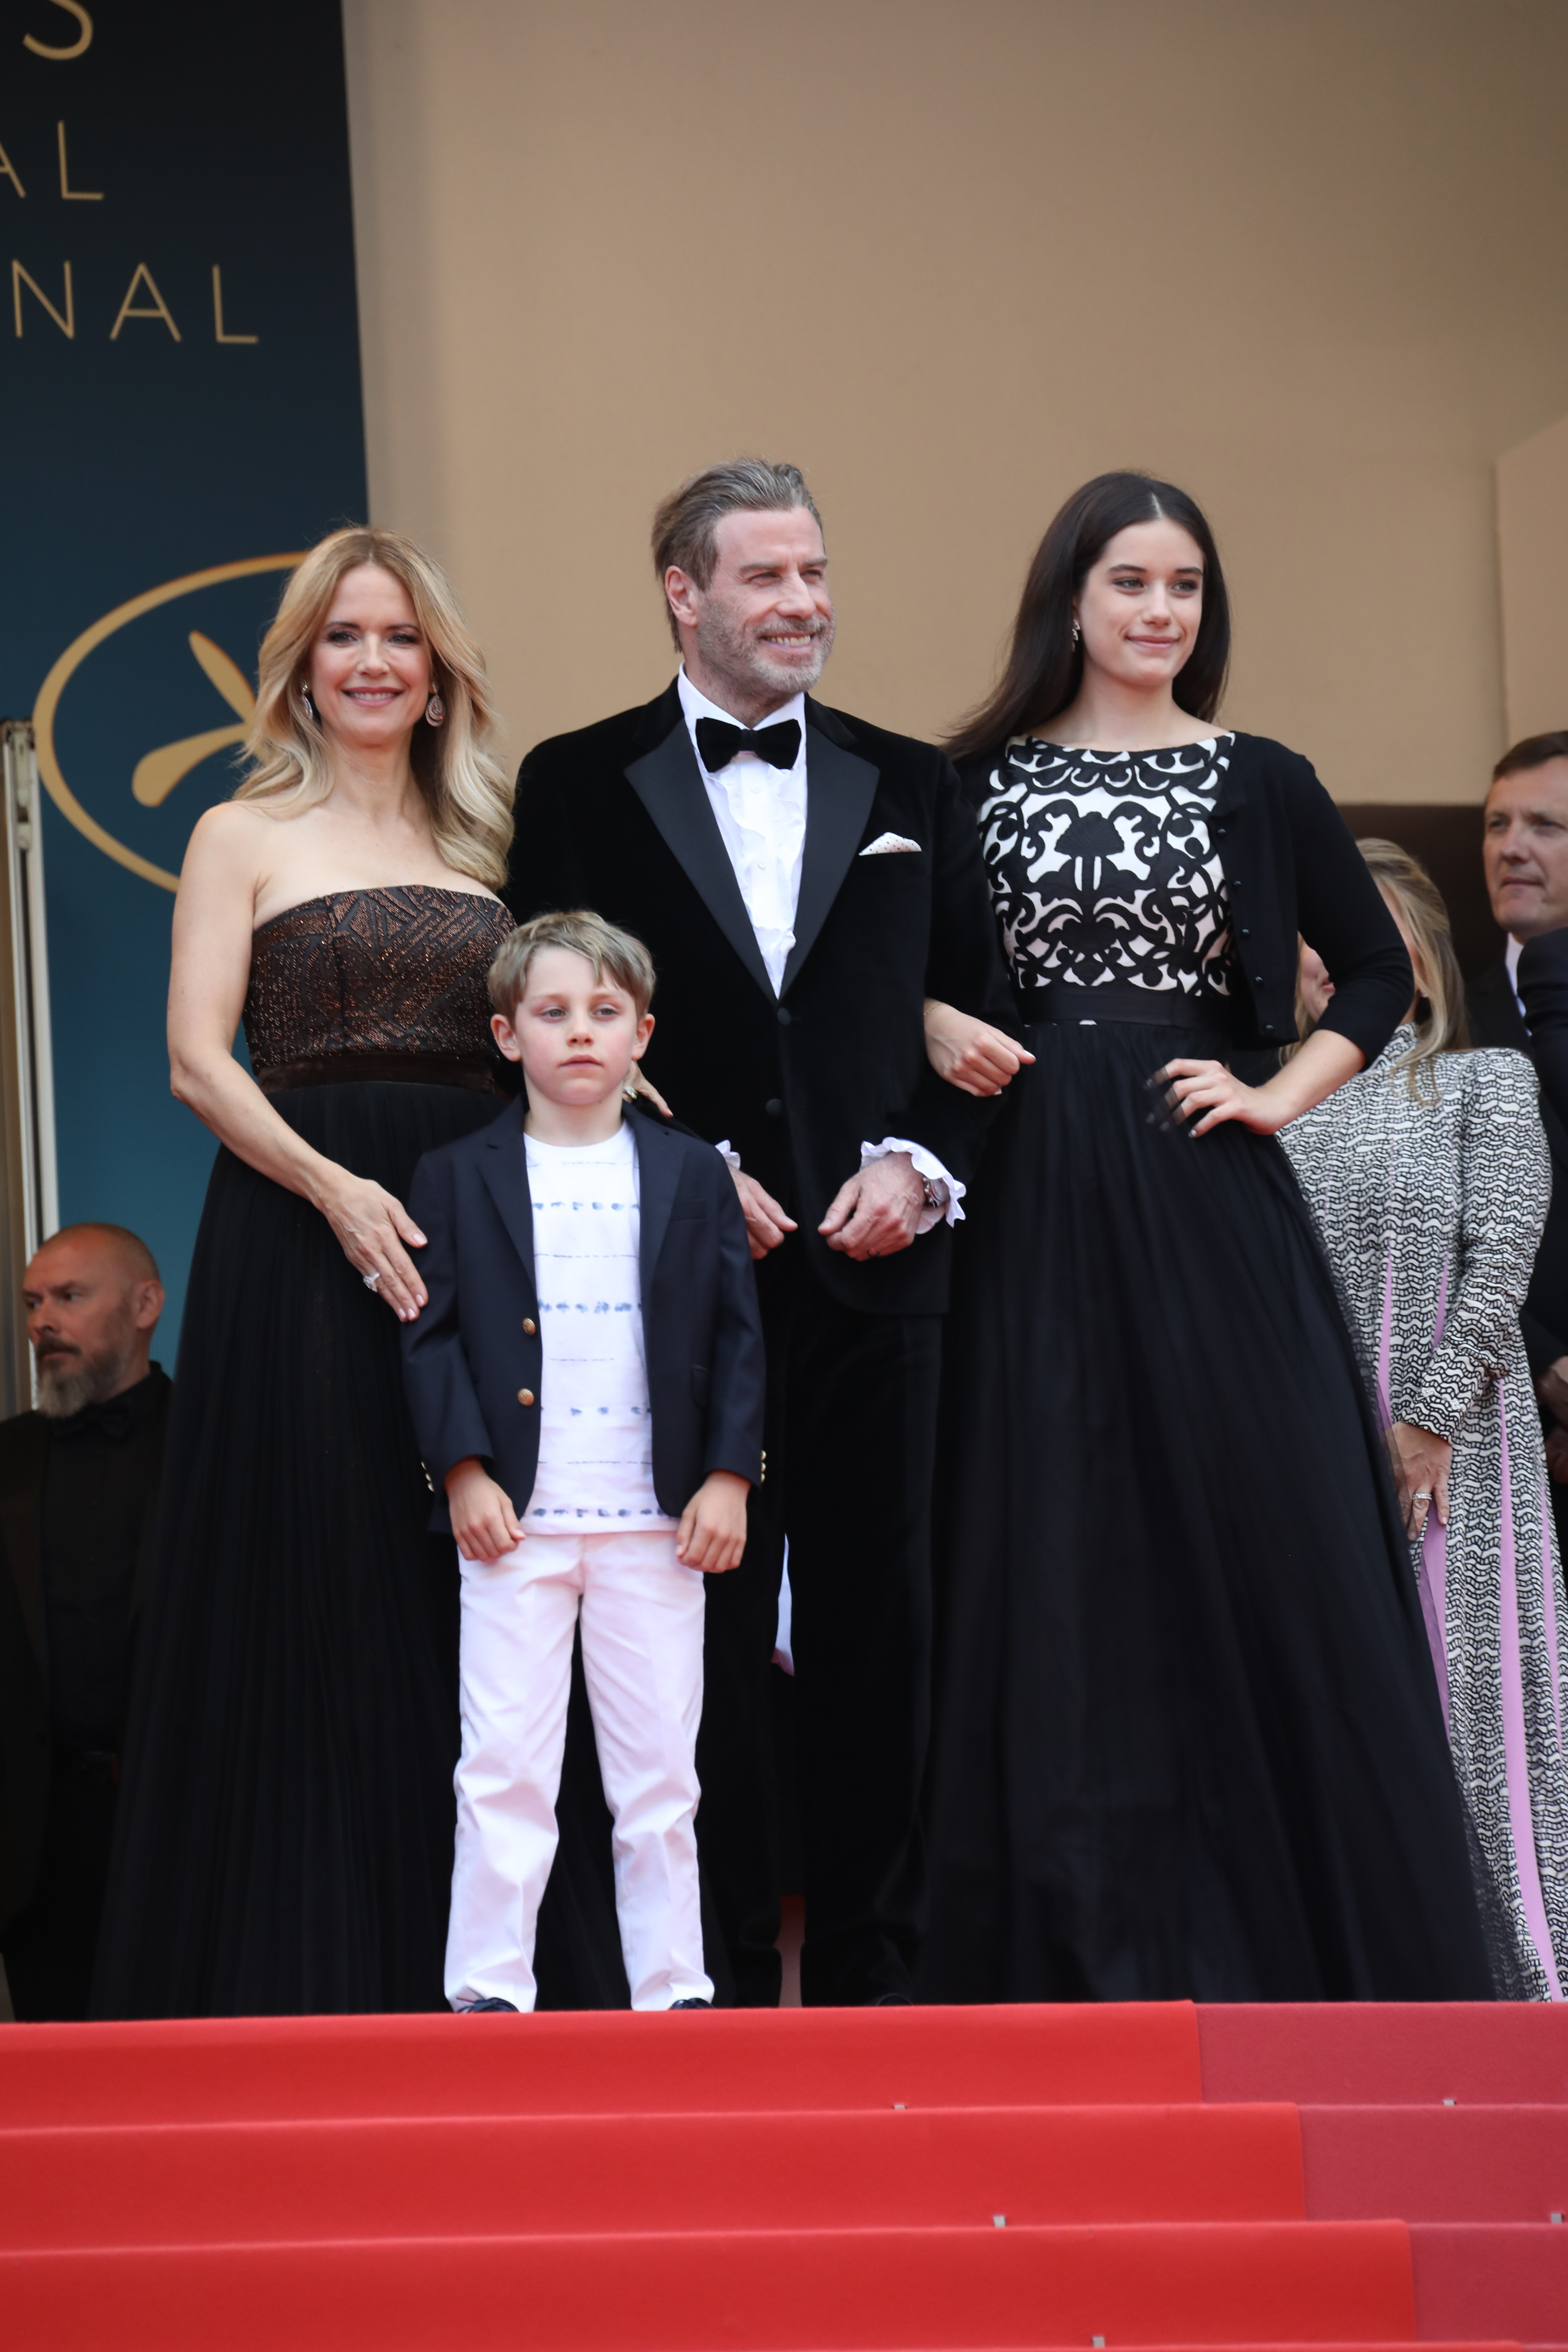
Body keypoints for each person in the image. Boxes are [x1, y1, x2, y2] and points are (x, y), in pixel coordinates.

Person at [917, 470, 1494, 2002]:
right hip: (1022, 1179)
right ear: (1070, 598)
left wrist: (1273, 1096)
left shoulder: (1261, 774)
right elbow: (887, 966)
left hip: (1198, 1180)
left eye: (1184, 586)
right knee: (1044, 1529)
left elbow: (1374, 972)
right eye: (1130, 581)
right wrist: (928, 1017)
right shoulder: (964, 778)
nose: (1159, 610)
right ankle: (1057, 1943)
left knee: (1252, 1519)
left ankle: (1268, 1942)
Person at [509, 460, 1012, 2008]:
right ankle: (702, 1984)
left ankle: (880, 1983)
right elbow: (544, 1015)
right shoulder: (575, 780)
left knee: (886, 1636)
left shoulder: (912, 781)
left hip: (883, 1272)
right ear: (685, 593)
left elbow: (982, 1009)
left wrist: (920, 1167)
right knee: (687, 1643)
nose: (805, 603)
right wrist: (679, 1168)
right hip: (669, 1279)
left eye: (815, 572)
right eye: (767, 577)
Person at [92, 527, 544, 2017]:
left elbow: (566, 1035)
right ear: (299, 669)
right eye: (343, 635)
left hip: (472, 1228)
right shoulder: (240, 831)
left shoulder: (492, 849)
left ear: (439, 673)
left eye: (400, 637)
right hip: (299, 1227)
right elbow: (194, 1059)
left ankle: (476, 1967)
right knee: (315, 1560)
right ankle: (308, 1973)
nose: (371, 660)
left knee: (471, 1575)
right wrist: (335, 1188)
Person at [402, 912, 765, 2013]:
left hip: (656, 1524)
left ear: (641, 1034)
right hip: (513, 1524)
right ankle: (487, 1990)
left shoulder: (694, 1171)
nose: (578, 1033)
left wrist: (729, 1477)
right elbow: (429, 1336)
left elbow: (738, 1337)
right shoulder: (454, 1174)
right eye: (552, 1013)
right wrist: (463, 1471)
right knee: (503, 1766)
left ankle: (673, 1989)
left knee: (658, 1773)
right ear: (505, 1034)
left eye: (604, 1013)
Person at [1283, 843, 1568, 1999]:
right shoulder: (1270, 1104)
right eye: (1311, 940)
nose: (1330, 959)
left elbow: (1502, 1261)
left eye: (1361, 934)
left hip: (1459, 1455)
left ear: (1418, 956)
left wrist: (1431, 1418)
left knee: (1471, 1717)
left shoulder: (1482, 1078)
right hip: (1311, 1453)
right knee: (1340, 1725)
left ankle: (1525, 1991)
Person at [0, 1226, 168, 2020]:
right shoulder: (6, 1459)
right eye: (34, 1302)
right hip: (37, 1842)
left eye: (69, 1297)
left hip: (178, 1823)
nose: (43, 1321)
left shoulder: (211, 1448)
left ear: (146, 1305)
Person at [1467, 734, 1568, 1556]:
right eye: (1498, 824)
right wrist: (1545, 1364)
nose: (1511, 847)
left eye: (1545, 826)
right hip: (1494, 1421)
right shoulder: (1438, 1016)